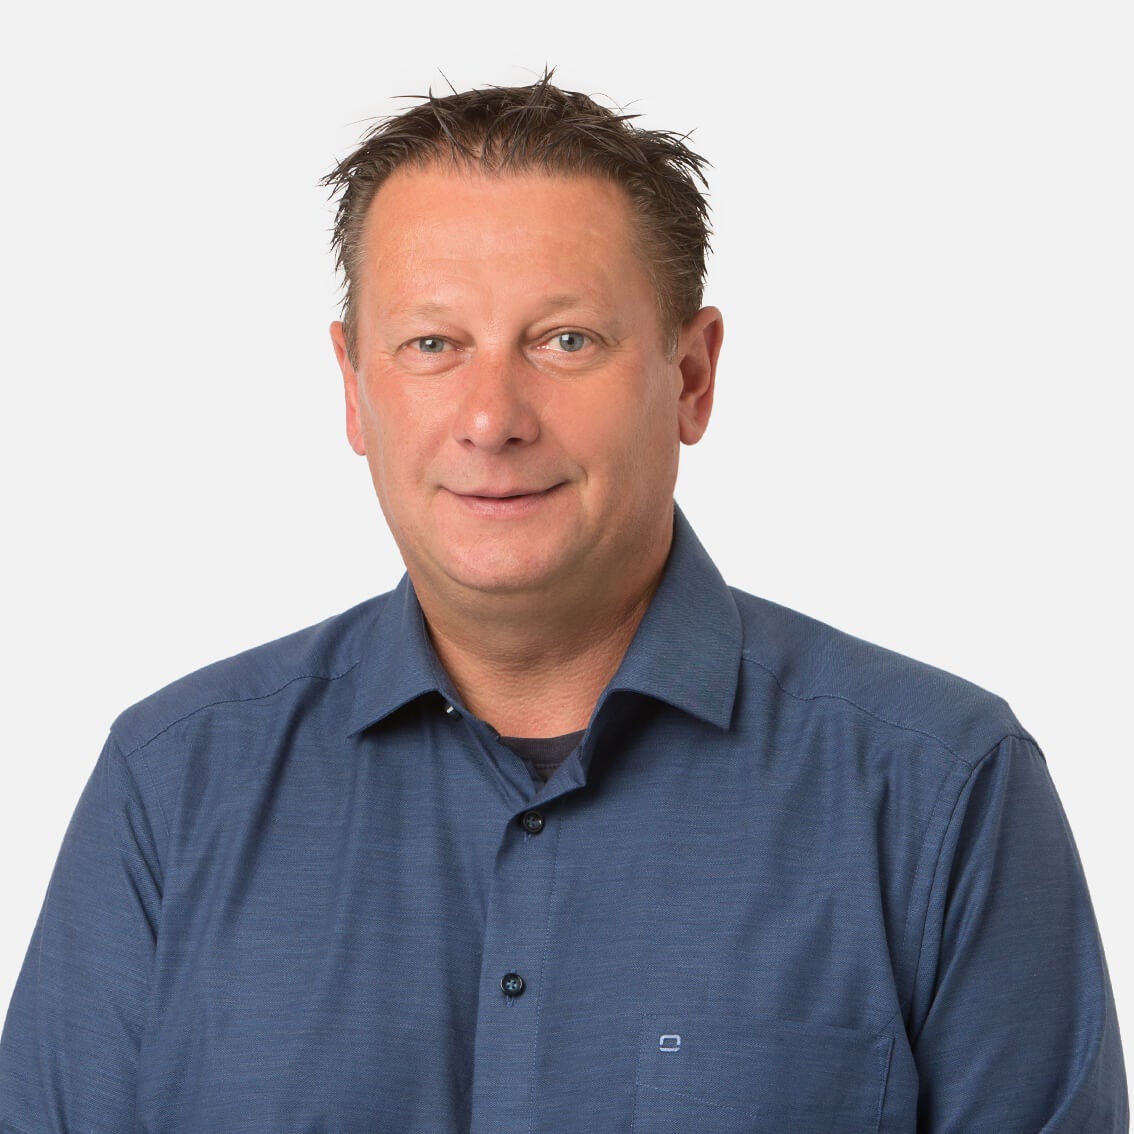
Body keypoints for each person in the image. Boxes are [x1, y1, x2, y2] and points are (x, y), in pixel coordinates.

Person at [0, 74, 1126, 1133]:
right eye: (433, 344)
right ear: (354, 387)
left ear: (691, 377)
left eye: (565, 340)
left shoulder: (940, 789)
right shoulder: (170, 788)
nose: (493, 418)